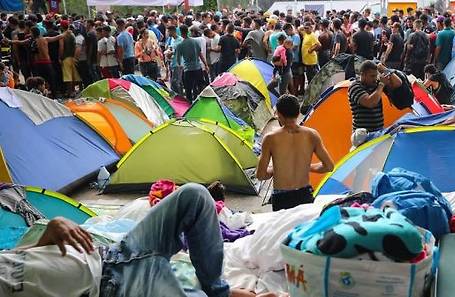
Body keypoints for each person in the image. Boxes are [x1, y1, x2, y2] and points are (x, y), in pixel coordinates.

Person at [0, 183, 236, 297]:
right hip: (115, 290)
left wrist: (50, 231)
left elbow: (27, 259)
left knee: (195, 196)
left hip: (114, 253)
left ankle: (218, 291)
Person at [257, 95, 334, 211]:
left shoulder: (270, 138)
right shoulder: (312, 135)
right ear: (298, 113)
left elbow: (261, 175)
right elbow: (329, 166)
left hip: (281, 197)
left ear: (279, 114)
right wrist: (308, 167)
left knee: (284, 229)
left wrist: (274, 169)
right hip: (304, 194)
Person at [9, 27, 66, 98]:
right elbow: (58, 37)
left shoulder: (31, 41)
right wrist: (67, 32)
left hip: (38, 64)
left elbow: (20, 42)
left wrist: (9, 41)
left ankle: (40, 96)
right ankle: (54, 95)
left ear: (33, 33)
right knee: (51, 79)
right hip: (47, 63)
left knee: (39, 81)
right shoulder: (45, 39)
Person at [175, 25, 208, 102]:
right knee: (200, 86)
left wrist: (180, 67)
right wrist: (206, 65)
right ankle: (201, 102)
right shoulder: (195, 42)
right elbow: (200, 55)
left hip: (188, 69)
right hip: (197, 68)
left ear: (180, 32)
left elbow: (178, 60)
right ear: (188, 31)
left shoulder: (180, 45)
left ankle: (189, 104)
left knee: (188, 89)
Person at [59, 25, 81, 97]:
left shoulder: (62, 36)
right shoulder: (72, 34)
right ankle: (74, 91)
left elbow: (61, 48)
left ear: (62, 27)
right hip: (72, 57)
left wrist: (60, 57)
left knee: (68, 76)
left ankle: (70, 92)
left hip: (66, 57)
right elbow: (75, 46)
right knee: (74, 75)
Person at [165, 25, 184, 95]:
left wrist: (172, 52)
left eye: (169, 31)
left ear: (173, 31)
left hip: (178, 64)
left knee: (175, 82)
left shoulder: (181, 40)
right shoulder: (172, 40)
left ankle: (179, 96)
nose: (168, 33)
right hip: (172, 62)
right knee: (174, 82)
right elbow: (171, 49)